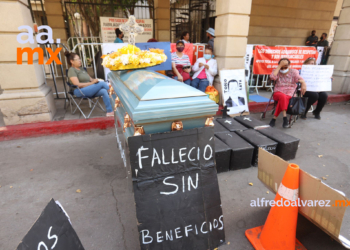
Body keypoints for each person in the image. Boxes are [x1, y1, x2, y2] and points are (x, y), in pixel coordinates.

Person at [65, 51, 113, 117]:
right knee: (102, 84)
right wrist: (92, 83)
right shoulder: (71, 70)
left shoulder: (82, 69)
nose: (80, 61)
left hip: (89, 89)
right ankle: (115, 97)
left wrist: (96, 80)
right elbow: (77, 84)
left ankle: (110, 111)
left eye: (80, 59)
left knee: (104, 91)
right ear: (71, 61)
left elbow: (91, 79)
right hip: (79, 90)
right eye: (77, 59)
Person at [269, 58, 307, 128]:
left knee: (283, 98)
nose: (283, 68)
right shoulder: (276, 71)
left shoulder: (294, 71)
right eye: (282, 66)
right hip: (278, 92)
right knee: (283, 96)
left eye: (285, 66)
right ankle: (285, 117)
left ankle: (274, 119)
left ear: (289, 65)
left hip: (290, 93)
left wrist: (303, 83)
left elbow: (299, 79)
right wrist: (279, 66)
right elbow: (272, 77)